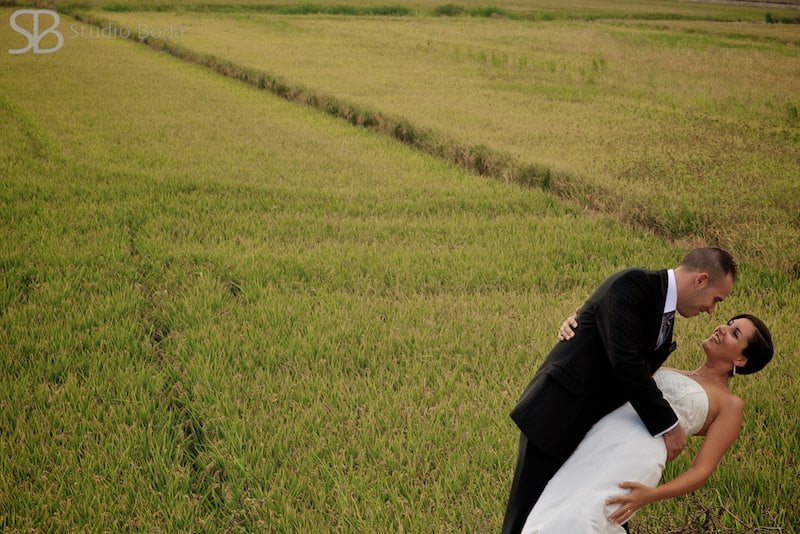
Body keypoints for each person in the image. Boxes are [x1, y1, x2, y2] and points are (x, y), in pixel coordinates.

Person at [502, 247, 738, 534]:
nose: (712, 310)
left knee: (587, 512)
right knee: (529, 514)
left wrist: (587, 312)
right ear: (700, 280)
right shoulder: (634, 283)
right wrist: (669, 425)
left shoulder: (663, 313)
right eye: (716, 299)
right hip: (559, 412)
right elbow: (626, 362)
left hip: (597, 431)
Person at [522, 313, 773, 532]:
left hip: (637, 455)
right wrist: (578, 322)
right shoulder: (672, 369)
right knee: (555, 506)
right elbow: (619, 359)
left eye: (734, 333)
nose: (722, 327)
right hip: (598, 440)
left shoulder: (730, 404)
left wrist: (651, 495)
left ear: (741, 360)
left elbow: (702, 471)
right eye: (729, 323)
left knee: (584, 516)